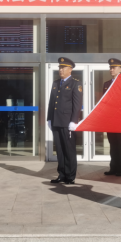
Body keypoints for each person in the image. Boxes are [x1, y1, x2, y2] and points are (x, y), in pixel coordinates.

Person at [47, 57, 83, 185]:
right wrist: (49, 118)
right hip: (56, 121)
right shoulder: (56, 83)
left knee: (69, 150)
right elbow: (52, 102)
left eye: (63, 68)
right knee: (60, 150)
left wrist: (74, 121)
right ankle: (61, 174)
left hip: (67, 122)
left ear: (70, 69)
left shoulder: (75, 83)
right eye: (60, 67)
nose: (60, 70)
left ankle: (70, 176)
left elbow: (77, 105)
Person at [103, 58, 121, 177]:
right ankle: (113, 167)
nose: (111, 69)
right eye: (110, 67)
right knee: (113, 145)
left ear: (120, 69)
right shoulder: (106, 84)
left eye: (114, 67)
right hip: (110, 119)